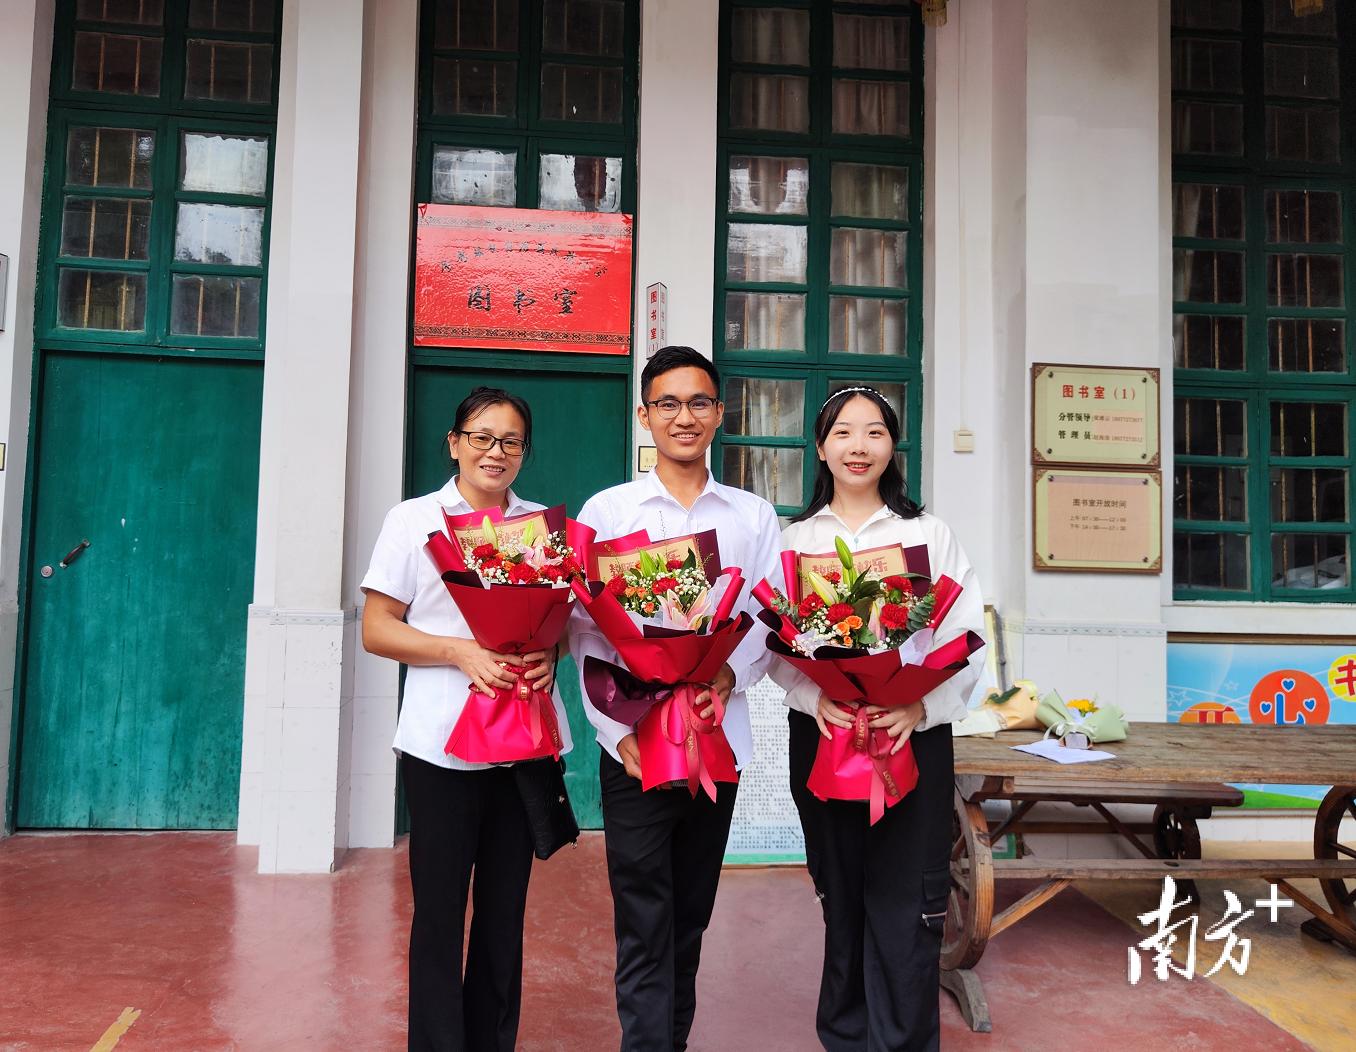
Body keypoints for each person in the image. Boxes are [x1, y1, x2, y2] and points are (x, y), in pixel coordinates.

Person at [570, 346, 781, 1051]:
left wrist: (728, 678)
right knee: (642, 912)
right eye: (668, 403)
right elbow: (587, 632)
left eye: (697, 403)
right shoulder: (610, 510)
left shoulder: (752, 517)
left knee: (690, 914)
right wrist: (615, 732)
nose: (683, 417)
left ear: (720, 414)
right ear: (645, 416)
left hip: (715, 740)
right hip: (633, 748)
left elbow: (768, 617)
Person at [772, 387, 985, 1052]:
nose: (857, 446)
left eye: (873, 433)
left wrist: (919, 705)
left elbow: (967, 639)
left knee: (911, 904)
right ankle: (844, 1037)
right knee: (841, 899)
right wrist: (817, 699)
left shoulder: (928, 536)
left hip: (910, 739)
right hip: (825, 737)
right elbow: (773, 653)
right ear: (821, 447)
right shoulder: (796, 541)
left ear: (893, 446)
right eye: (843, 433)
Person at [360, 387, 571, 1052]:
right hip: (440, 749)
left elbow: (555, 628)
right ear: (454, 442)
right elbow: (376, 629)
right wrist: (458, 651)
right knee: (440, 914)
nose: (495, 452)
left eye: (510, 441)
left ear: (524, 453)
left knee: (504, 915)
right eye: (481, 437)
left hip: (522, 746)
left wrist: (547, 659)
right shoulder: (415, 521)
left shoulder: (542, 527)